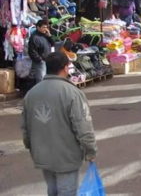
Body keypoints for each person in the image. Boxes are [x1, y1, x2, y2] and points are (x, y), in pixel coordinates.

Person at [21, 51, 97, 196]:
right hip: (66, 156)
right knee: (66, 191)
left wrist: (30, 145)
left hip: (42, 153)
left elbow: (25, 126)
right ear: (65, 68)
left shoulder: (31, 94)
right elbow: (83, 126)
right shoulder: (73, 93)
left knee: (53, 190)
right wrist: (90, 149)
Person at [28, 20, 55, 85]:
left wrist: (49, 35)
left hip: (47, 60)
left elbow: (53, 44)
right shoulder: (34, 37)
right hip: (40, 62)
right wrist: (40, 60)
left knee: (46, 79)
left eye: (46, 27)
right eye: (43, 27)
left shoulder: (45, 35)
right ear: (38, 27)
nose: (45, 29)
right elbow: (32, 51)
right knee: (41, 80)